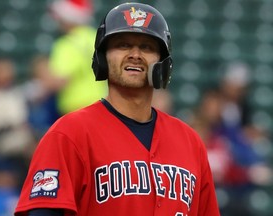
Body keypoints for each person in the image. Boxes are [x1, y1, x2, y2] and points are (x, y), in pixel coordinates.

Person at [14, 3, 220, 216]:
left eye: (147, 47)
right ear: (102, 59)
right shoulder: (68, 134)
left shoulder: (190, 143)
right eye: (123, 45)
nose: (135, 54)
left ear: (163, 63)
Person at [48, 0, 107, 115]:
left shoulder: (67, 44)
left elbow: (60, 81)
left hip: (76, 111)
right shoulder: (96, 37)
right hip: (102, 105)